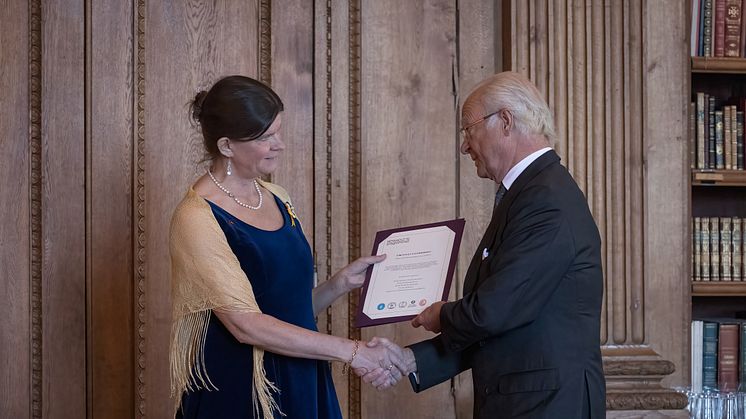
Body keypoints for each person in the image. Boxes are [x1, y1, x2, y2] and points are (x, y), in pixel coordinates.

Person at [366, 71, 606, 418]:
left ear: (505, 121)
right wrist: (410, 360)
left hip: (548, 407)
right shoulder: (530, 193)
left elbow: (494, 311)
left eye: (469, 128)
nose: (465, 145)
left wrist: (442, 314)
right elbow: (504, 319)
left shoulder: (546, 199)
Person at [169, 75, 401, 419]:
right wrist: (353, 351)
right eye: (265, 137)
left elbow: (289, 311)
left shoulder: (278, 197)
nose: (279, 144)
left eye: (278, 131)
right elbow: (245, 324)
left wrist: (339, 284)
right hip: (240, 390)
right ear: (226, 146)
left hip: (301, 376)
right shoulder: (196, 216)